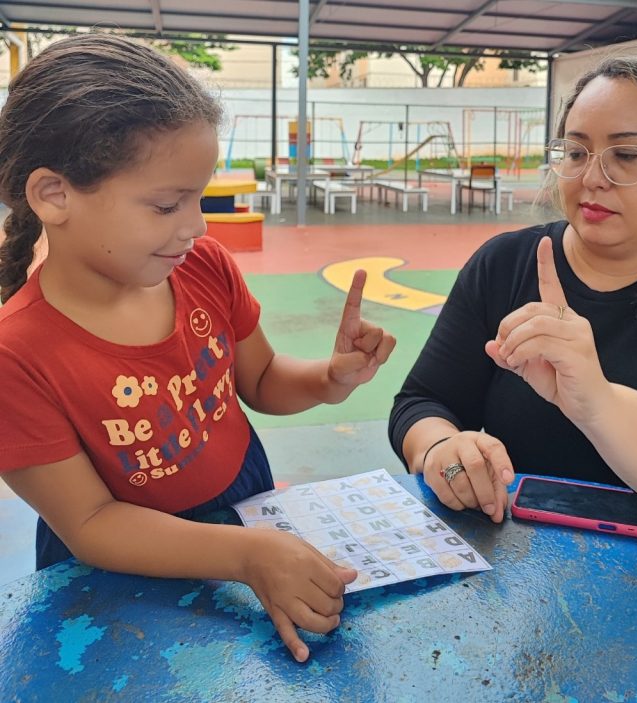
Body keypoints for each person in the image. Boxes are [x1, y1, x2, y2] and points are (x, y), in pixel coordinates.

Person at [0, 33, 396, 663]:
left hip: (247, 508)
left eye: (199, 197)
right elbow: (92, 523)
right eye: (166, 205)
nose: (198, 225)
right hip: (122, 579)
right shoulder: (16, 355)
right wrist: (246, 555)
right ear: (54, 195)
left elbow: (261, 379)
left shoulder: (203, 267)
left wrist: (331, 378)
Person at [389, 54, 637, 527]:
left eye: (626, 155)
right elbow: (423, 401)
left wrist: (598, 404)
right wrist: (443, 450)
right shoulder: (504, 264)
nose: (591, 178)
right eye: (575, 152)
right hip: (518, 555)